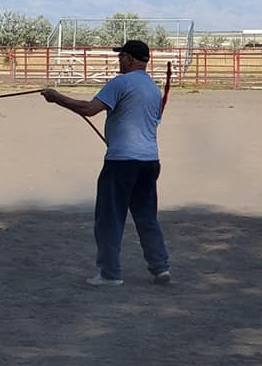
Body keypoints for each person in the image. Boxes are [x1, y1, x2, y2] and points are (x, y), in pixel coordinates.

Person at [41, 40, 171, 287]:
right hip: (150, 161)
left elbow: (89, 109)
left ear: (131, 59)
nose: (118, 61)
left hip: (122, 162)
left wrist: (57, 98)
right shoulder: (153, 89)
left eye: (121, 56)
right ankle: (160, 267)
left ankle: (110, 273)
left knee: (109, 218)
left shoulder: (120, 83)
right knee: (146, 217)